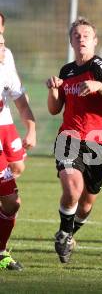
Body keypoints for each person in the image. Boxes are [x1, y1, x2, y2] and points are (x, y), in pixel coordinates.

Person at [46, 17, 102, 263]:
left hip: (98, 144)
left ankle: (66, 233)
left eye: (86, 36)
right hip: (69, 138)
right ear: (71, 40)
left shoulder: (100, 68)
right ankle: (65, 235)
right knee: (72, 189)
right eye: (77, 35)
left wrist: (99, 87)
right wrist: (53, 89)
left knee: (86, 205)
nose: (81, 39)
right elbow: (54, 109)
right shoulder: (66, 71)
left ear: (95, 41)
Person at [0, 32, 26, 271]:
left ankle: (0, 252)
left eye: (2, 41)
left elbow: (17, 94)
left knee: (12, 203)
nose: (2, 47)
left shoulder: (5, 59)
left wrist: (31, 126)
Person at [0, 12, 36, 177]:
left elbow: (12, 80)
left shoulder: (6, 54)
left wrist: (20, 93)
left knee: (17, 167)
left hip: (5, 120)